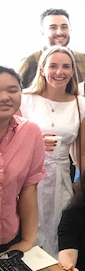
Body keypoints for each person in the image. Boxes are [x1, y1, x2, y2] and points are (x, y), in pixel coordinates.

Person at [20, 46, 85, 255]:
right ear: (42, 70)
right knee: (31, 228)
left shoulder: (81, 104)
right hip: (29, 177)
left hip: (62, 176)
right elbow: (9, 143)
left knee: (61, 226)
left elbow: (83, 151)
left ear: (72, 71)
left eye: (66, 67)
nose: (59, 72)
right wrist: (33, 141)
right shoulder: (25, 100)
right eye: (53, 66)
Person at [0, 66, 45, 254]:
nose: (4, 97)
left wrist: (27, 240)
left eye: (12, 90)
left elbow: (29, 188)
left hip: (9, 238)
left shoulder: (30, 132)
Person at [17, 8, 85, 88]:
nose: (60, 32)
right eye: (53, 27)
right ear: (42, 32)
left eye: (64, 27)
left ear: (70, 30)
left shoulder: (84, 60)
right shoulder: (30, 62)